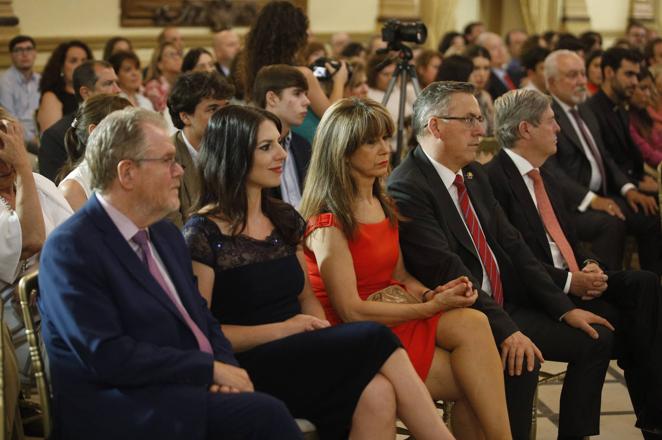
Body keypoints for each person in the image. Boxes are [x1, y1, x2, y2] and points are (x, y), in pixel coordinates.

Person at [184, 104, 453, 440]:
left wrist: (316, 335)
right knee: (373, 335)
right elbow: (201, 334)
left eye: (280, 143)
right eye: (266, 147)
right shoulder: (203, 232)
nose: (282, 154)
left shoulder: (283, 218)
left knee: (379, 392)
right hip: (249, 362)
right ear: (233, 155)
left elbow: (306, 296)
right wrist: (285, 330)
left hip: (301, 348)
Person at [38, 106, 303, 440]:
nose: (180, 170)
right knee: (266, 416)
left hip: (181, 385)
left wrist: (227, 371)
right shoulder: (71, 247)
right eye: (167, 161)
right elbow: (106, 354)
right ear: (127, 173)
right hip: (121, 404)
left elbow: (202, 319)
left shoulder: (163, 235)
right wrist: (208, 370)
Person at [387, 81, 616, 440]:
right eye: (469, 120)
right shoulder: (408, 187)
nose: (482, 130)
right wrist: (508, 331)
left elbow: (516, 247)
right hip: (461, 312)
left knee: (596, 338)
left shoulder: (474, 175)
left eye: (481, 118)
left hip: (502, 302)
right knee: (521, 359)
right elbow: (448, 269)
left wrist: (563, 309)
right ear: (435, 126)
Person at [302, 97, 512, 439]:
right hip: (357, 331)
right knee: (477, 382)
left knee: (475, 323)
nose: (385, 148)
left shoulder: (382, 202)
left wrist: (433, 292)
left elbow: (399, 276)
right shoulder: (328, 223)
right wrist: (430, 306)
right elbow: (351, 311)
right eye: (371, 142)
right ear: (341, 151)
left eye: (385, 138)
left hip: (395, 309)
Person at [486, 88, 662, 438]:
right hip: (538, 292)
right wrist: (570, 282)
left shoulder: (545, 175)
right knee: (629, 331)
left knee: (644, 287)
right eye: (551, 122)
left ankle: (654, 418)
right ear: (526, 129)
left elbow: (569, 240)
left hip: (571, 278)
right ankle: (651, 419)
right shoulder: (493, 179)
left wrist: (591, 264)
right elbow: (512, 262)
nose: (559, 130)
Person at [242, 0, 348, 141]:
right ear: (296, 38)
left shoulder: (258, 72)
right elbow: (333, 116)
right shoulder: (301, 74)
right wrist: (339, 80)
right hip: (305, 147)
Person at [0, 108, 71, 290]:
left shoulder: (37, 182)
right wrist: (23, 166)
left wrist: (43, 266)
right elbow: (30, 241)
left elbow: (73, 238)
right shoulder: (25, 174)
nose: (7, 165)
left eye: (10, 152)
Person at [166, 71, 233, 227]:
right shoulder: (166, 159)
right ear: (185, 117)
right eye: (213, 109)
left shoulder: (234, 149)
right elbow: (173, 231)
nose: (224, 116)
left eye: (226, 107)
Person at [38, 60, 121, 182]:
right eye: (108, 84)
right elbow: (54, 191)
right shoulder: (55, 137)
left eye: (116, 83)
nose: (117, 90)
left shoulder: (124, 125)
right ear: (86, 93)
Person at [58, 94, 132, 211]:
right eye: (125, 128)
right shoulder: (72, 189)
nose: (135, 137)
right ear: (95, 132)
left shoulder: (131, 172)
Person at [253, 65, 311, 207]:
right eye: (297, 94)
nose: (307, 101)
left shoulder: (303, 145)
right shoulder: (251, 145)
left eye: (305, 94)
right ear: (272, 98)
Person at [37, 40, 92, 133]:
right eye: (73, 61)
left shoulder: (93, 93)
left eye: (84, 60)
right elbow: (51, 140)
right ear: (61, 67)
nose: (80, 65)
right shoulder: (51, 97)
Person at [0, 35, 40, 151]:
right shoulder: (4, 82)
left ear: (35, 53)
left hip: (41, 137)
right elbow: (9, 120)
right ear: (11, 55)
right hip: (17, 140)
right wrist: (33, 140)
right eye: (19, 50)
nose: (24, 54)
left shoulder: (41, 80)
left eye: (28, 49)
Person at [629, 67, 662, 167]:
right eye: (643, 88)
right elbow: (649, 155)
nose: (648, 94)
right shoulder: (626, 119)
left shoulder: (643, 112)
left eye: (650, 88)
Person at [465, 45, 496, 136]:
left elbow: (493, 132)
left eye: (486, 68)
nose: (482, 74)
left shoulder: (485, 96)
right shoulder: (460, 99)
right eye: (476, 68)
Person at [144, 42, 182, 113]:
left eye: (178, 54)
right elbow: (164, 113)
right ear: (160, 64)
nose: (177, 58)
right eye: (171, 55)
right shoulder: (153, 87)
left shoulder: (182, 84)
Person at [476, 32, 515, 100]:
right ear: (483, 52)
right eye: (494, 48)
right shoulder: (485, 78)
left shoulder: (513, 73)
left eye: (502, 46)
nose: (500, 51)